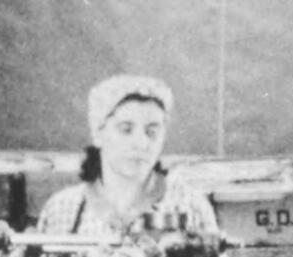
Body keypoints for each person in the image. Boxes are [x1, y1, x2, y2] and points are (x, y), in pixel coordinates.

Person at [36, 73, 221, 239]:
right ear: (98, 134)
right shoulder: (62, 210)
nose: (141, 143)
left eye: (152, 132)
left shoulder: (189, 206)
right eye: (126, 129)